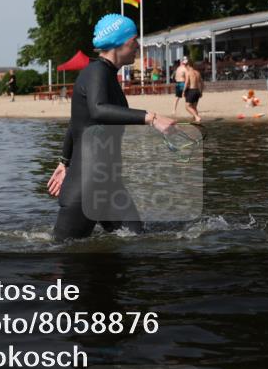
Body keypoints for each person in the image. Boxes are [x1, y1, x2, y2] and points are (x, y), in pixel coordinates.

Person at [46, 14, 175, 241]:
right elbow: (98, 109)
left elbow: (77, 122)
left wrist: (63, 162)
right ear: (121, 42)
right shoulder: (96, 72)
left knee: (138, 240)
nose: (137, 46)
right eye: (134, 40)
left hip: (108, 182)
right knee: (62, 255)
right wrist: (152, 118)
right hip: (87, 185)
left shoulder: (108, 75)